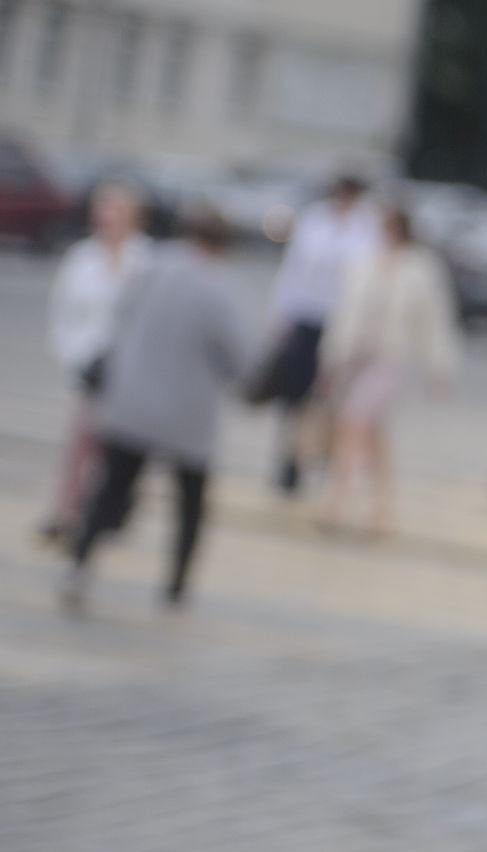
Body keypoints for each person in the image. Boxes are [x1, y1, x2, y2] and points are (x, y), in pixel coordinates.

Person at [62, 208, 250, 610]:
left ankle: (79, 565)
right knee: (190, 503)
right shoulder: (219, 286)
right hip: (188, 413)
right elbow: (240, 356)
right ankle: (176, 583)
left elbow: (120, 319)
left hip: (131, 402)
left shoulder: (151, 268)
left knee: (109, 488)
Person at [317, 206, 460, 535]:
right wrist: (332, 357)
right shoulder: (364, 260)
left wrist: (439, 367)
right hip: (358, 357)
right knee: (374, 436)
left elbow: (434, 320)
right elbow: (345, 312)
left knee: (354, 423)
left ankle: (336, 501)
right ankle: (382, 508)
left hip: (391, 358)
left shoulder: (420, 266)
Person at [41, 179, 151, 542]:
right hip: (89, 365)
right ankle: (68, 512)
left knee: (120, 451)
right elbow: (63, 312)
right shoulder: (82, 257)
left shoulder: (146, 260)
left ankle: (111, 514)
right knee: (81, 444)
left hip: (132, 370)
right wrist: (72, 354)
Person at [263, 174, 382, 495]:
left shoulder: (366, 228)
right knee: (295, 394)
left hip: (341, 323)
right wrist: (281, 315)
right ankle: (289, 462)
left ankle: (321, 459)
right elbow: (294, 270)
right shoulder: (315, 220)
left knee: (331, 397)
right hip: (307, 317)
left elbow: (367, 282)